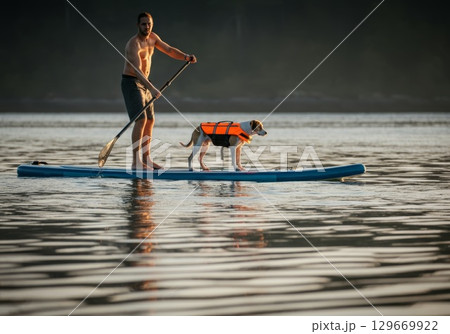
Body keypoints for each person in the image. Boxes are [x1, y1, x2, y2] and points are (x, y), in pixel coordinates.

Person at [122, 12, 197, 169]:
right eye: (144, 24)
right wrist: (153, 88)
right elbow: (137, 71)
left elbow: (169, 50)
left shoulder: (153, 37)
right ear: (138, 25)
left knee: (150, 120)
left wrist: (186, 56)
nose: (147, 27)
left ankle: (146, 159)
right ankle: (136, 162)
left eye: (149, 24)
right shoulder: (133, 44)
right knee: (140, 120)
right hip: (132, 83)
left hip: (146, 83)